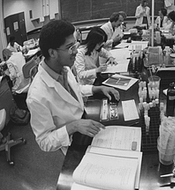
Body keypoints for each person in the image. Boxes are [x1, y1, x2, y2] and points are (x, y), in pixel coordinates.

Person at [26, 20, 120, 154]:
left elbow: (74, 91)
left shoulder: (64, 68)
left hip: (84, 124)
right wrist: (73, 126)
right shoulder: (36, 96)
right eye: (70, 47)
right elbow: (44, 141)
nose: (76, 51)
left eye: (75, 45)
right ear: (52, 53)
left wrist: (95, 89)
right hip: (73, 142)